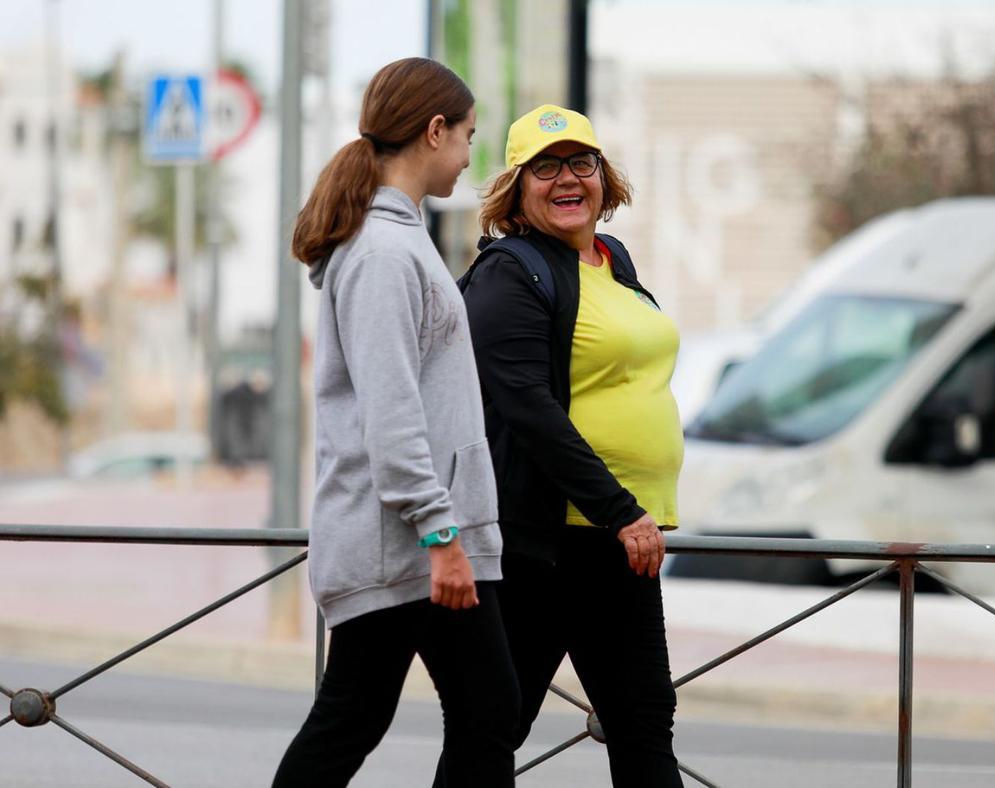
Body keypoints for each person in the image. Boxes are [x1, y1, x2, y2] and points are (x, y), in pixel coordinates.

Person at [272, 58, 518, 788]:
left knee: (483, 709)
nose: (470, 153)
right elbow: (392, 410)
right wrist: (441, 533)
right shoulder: (380, 253)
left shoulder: (402, 239)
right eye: (468, 135)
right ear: (434, 130)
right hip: (403, 541)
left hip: (427, 537)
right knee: (361, 713)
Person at [459, 104, 685, 787]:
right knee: (496, 726)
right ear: (516, 189)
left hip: (618, 542)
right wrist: (619, 509)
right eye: (545, 167)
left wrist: (626, 516)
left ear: (602, 178)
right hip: (550, 541)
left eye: (580, 163)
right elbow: (525, 406)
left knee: (643, 719)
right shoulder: (511, 272)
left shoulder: (612, 261)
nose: (567, 179)